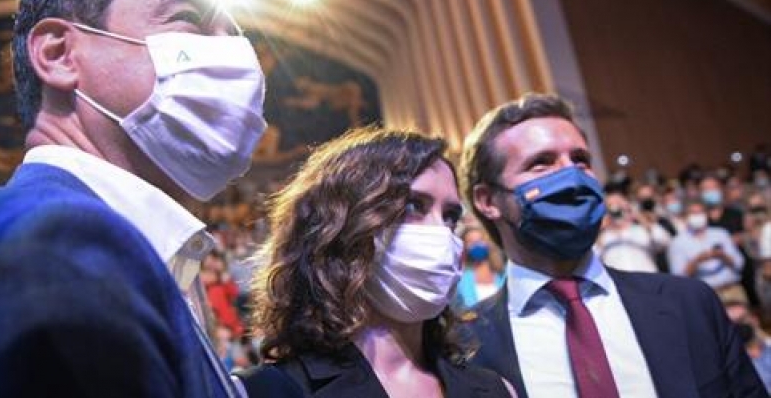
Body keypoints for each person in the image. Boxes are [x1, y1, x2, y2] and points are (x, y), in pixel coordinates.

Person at [0, 0, 267, 396]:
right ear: (58, 55)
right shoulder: (60, 240)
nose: (230, 54)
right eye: (188, 18)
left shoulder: (152, 252)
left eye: (232, 35)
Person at [459, 93, 765, 397]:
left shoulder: (690, 304)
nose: (572, 175)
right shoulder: (465, 345)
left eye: (581, 160)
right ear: (488, 201)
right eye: (541, 164)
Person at [238, 127, 515, 397]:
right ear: (340, 227)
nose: (441, 232)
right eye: (412, 206)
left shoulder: (494, 389)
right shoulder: (268, 390)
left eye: (450, 216)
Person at [668, 200, 747, 304]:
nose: (697, 216)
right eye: (693, 213)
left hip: (731, 289)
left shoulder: (721, 233)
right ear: (686, 216)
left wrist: (722, 255)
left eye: (700, 212)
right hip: (704, 296)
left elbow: (739, 264)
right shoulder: (677, 242)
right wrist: (697, 261)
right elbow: (679, 278)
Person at [455, 225, 506, 310]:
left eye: (480, 240)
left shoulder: (503, 274)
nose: (477, 245)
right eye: (471, 242)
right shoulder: (460, 277)